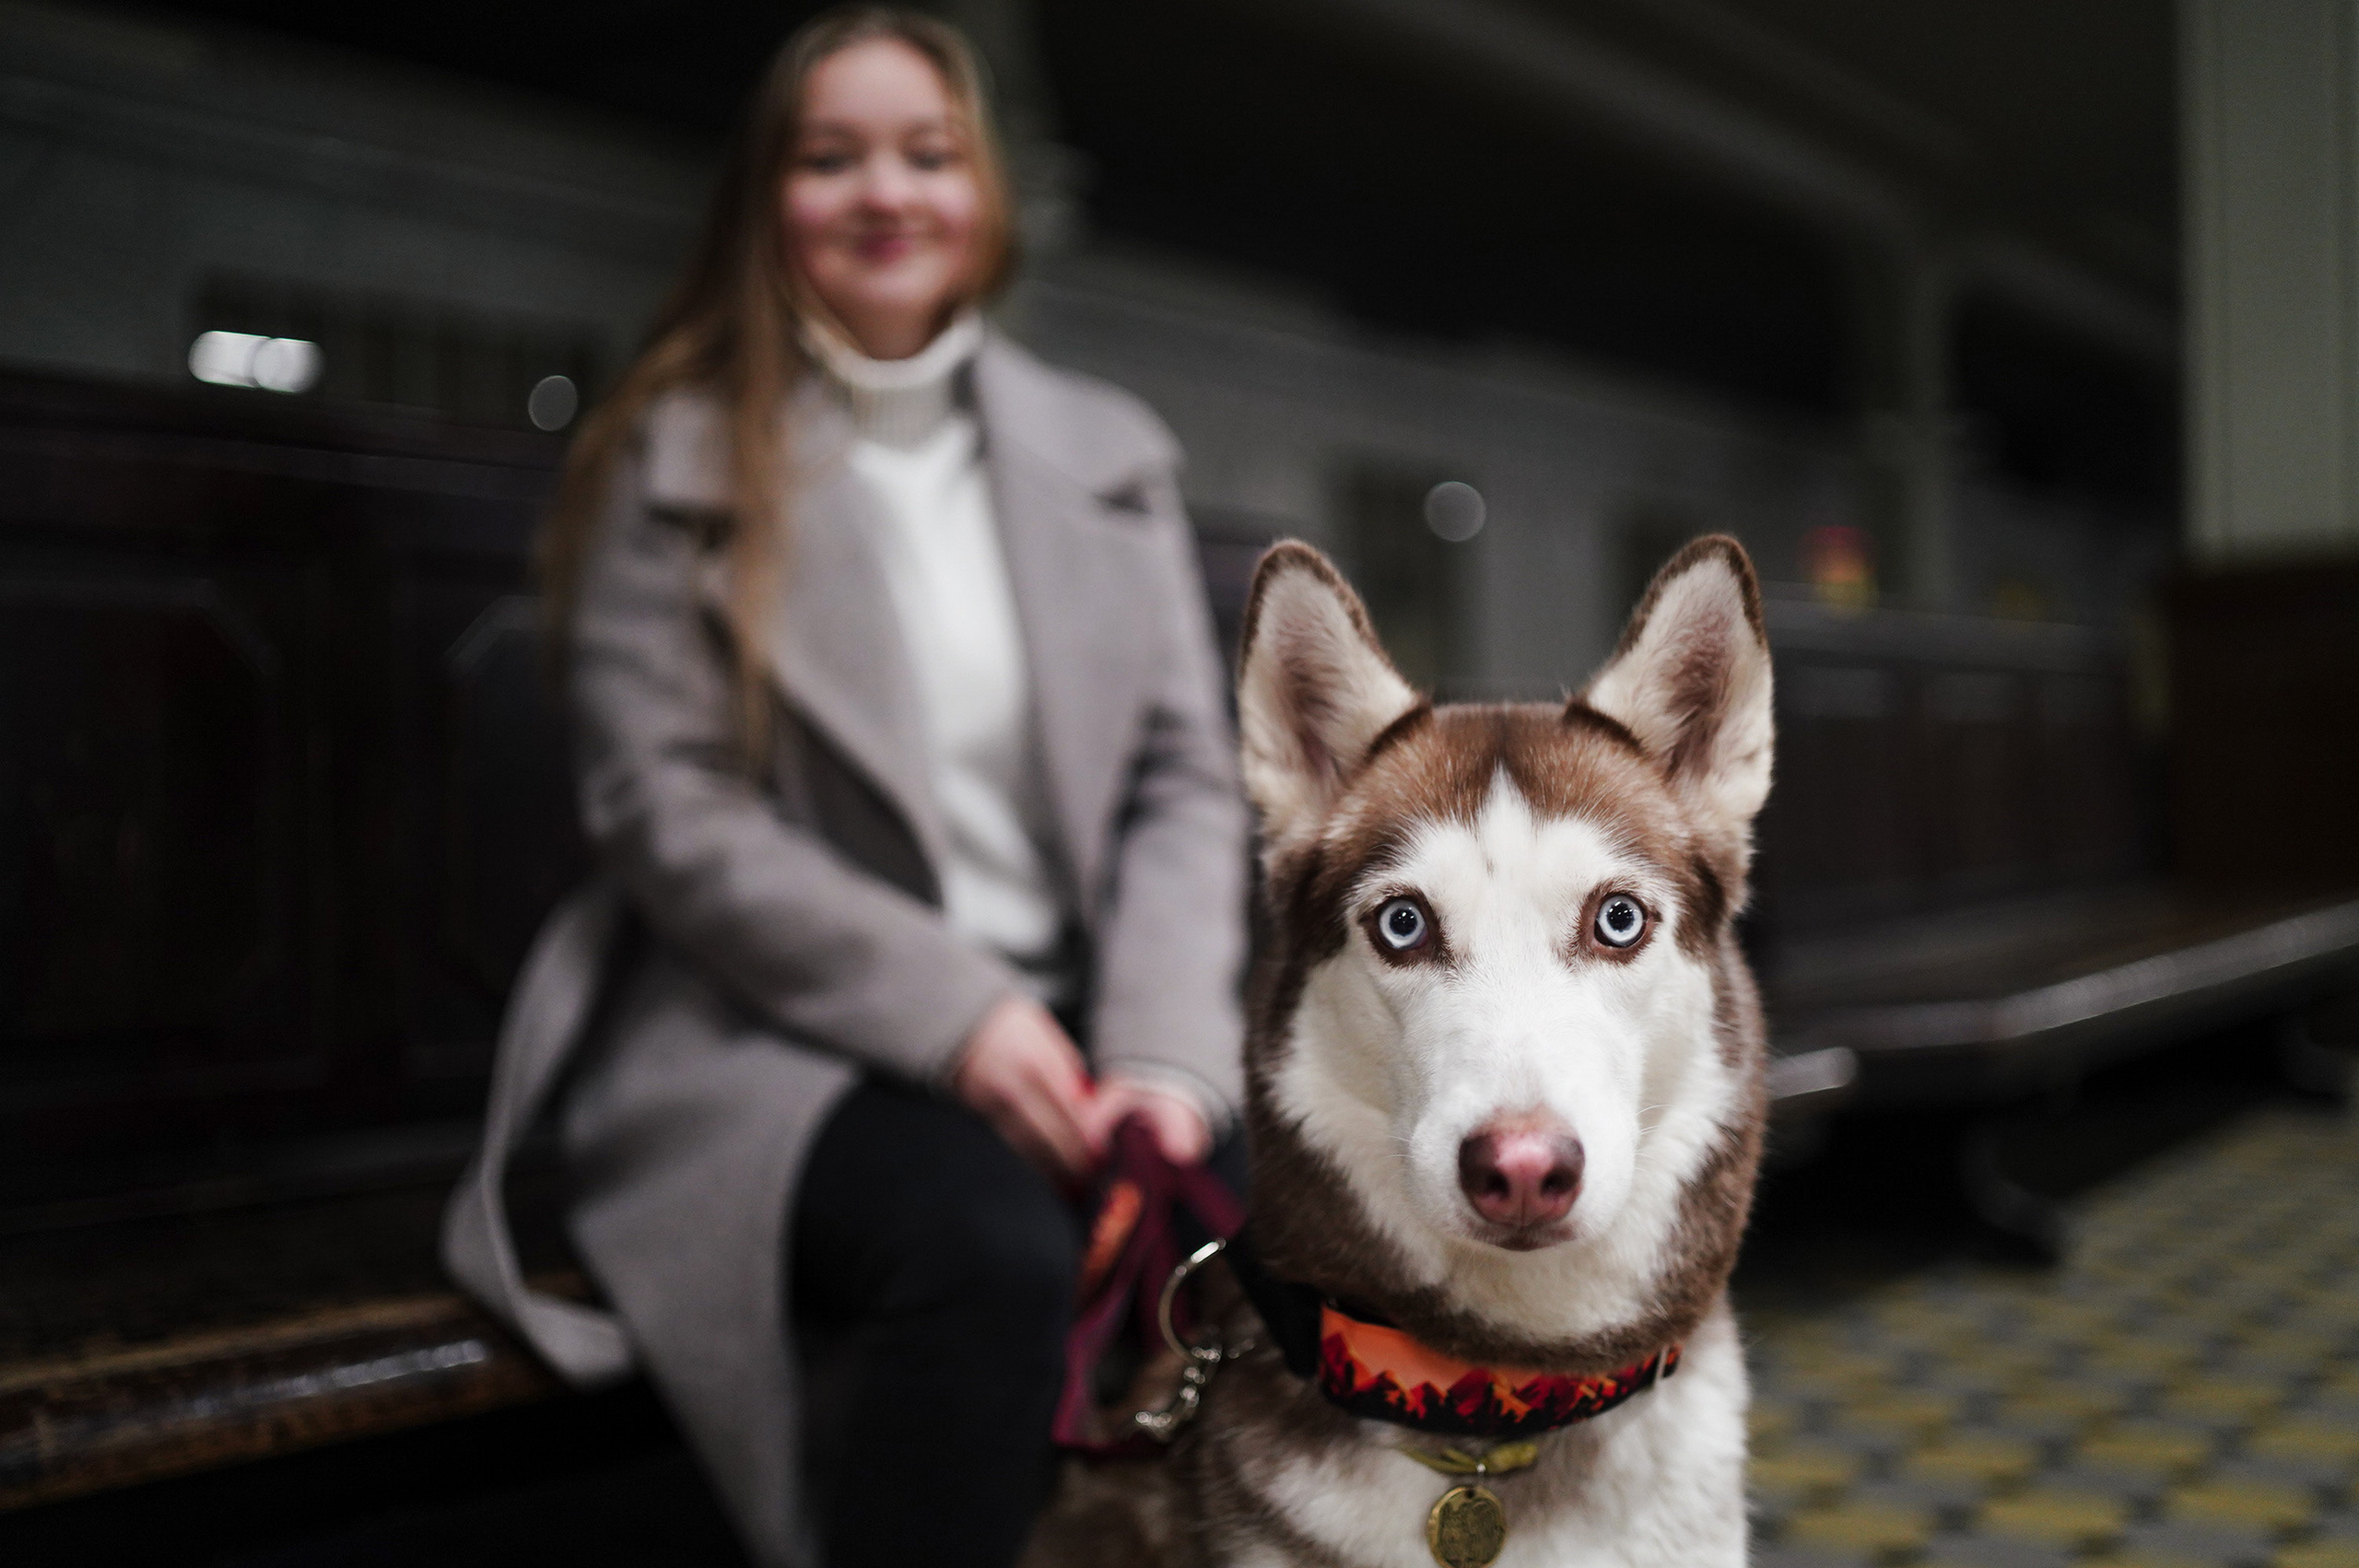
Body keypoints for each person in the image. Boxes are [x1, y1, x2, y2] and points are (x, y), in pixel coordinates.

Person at [440, 10, 1250, 1566]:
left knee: (1290, 1211)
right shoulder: (666, 461)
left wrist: (1159, 1060)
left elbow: (1178, 783)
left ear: (988, 194)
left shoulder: (1108, 453)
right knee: (986, 1251)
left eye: (929, 155)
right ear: (770, 195)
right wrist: (958, 1015)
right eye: (833, 158)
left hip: (1091, 1019)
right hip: (776, 1037)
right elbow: (666, 810)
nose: (888, 193)